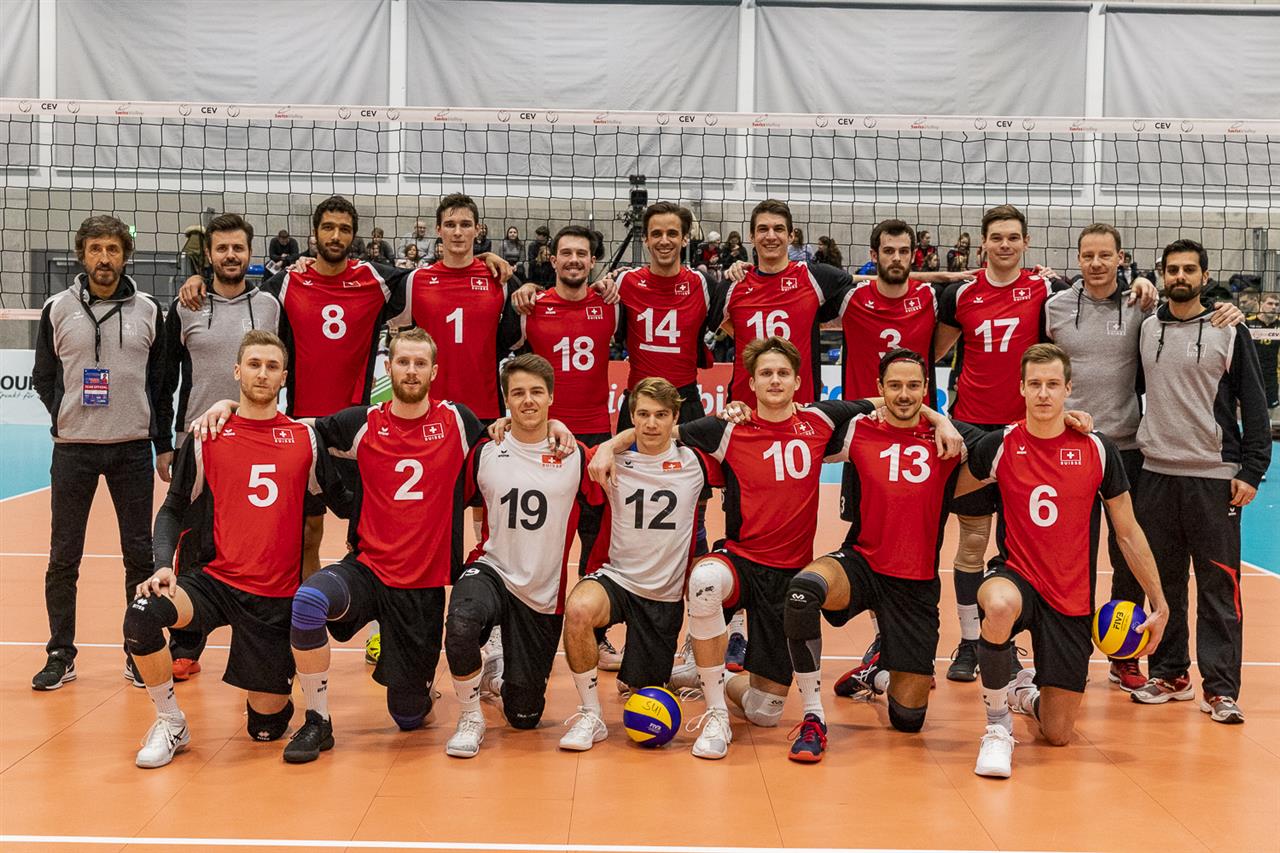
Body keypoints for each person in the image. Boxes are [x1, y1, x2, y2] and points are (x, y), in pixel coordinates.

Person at [589, 337, 962, 760]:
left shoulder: (820, 419)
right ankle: (715, 713)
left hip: (787, 577)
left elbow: (893, 400)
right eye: (765, 373)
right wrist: (610, 446)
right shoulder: (729, 427)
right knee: (704, 581)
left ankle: (702, 674)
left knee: (763, 712)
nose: (775, 380)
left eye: (783, 373)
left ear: (798, 381)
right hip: (741, 561)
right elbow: (655, 432)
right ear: (752, 382)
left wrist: (940, 420)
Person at [178, 196, 511, 584]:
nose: (335, 236)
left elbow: (446, 273)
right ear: (314, 234)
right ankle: (300, 609)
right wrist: (200, 278)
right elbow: (241, 293)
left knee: (374, 535)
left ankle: (372, 604)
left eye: (344, 229)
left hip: (358, 432)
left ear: (354, 236)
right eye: (328, 228)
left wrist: (484, 259)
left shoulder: (377, 280)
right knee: (304, 534)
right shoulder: (287, 282)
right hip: (305, 430)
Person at [123, 331, 343, 768]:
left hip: (273, 597)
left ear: (284, 377)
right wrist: (163, 565)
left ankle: (271, 696)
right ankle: (170, 721)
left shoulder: (305, 438)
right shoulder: (207, 435)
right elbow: (172, 509)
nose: (262, 374)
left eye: (272, 367)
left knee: (266, 729)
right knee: (142, 614)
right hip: (214, 582)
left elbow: (344, 500)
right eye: (254, 364)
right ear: (237, 371)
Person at [958, 344, 1169, 778]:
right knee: (997, 604)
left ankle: (1025, 695)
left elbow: (1128, 531)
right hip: (1016, 574)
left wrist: (1159, 602)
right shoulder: (1000, 445)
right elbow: (949, 486)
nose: (1043, 393)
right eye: (1034, 384)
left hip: (1071, 597)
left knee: (1057, 733)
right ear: (1021, 388)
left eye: (1052, 384)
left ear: (1069, 389)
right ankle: (997, 726)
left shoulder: (1097, 448)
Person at [1044, 224, 1240, 691]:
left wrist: (1225, 309)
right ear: (1078, 259)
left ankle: (1125, 654)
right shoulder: (1054, 307)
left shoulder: (1142, 306)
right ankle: (1066, 653)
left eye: (1105, 255)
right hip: (1068, 448)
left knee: (1131, 557)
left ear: (1121, 258)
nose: (1096, 263)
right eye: (1088, 255)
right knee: (1068, 560)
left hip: (1128, 449)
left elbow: (1184, 313)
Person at [282, 329, 485, 762]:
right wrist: (230, 408)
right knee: (309, 601)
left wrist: (553, 424)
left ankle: (420, 692)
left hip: (422, 589)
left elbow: (509, 440)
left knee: (408, 716)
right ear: (388, 367)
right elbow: (297, 431)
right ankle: (317, 720)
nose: (411, 371)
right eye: (403, 362)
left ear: (434, 371)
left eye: (420, 363)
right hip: (368, 568)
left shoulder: (458, 421)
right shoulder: (362, 422)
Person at [784, 349, 965, 761]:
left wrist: (940, 420)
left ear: (927, 388)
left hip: (915, 585)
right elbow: (802, 420)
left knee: (908, 719)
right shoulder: (858, 429)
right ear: (880, 388)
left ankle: (877, 673)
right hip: (863, 563)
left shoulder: (952, 439)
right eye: (895, 386)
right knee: (803, 591)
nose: (904, 395)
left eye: (914, 386)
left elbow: (1014, 436)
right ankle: (813, 715)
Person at [1129, 240, 1271, 723]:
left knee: (1218, 586)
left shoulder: (1229, 330)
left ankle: (1221, 689)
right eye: (1172, 269)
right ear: (1162, 275)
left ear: (1205, 276)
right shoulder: (1148, 328)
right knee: (1163, 585)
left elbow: (1255, 405)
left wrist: (1252, 470)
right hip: (1156, 474)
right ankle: (1170, 674)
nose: (1180, 276)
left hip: (1212, 476)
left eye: (1190, 269)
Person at [31, 215, 169, 691]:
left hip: (131, 449)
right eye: (95, 249)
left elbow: (160, 384)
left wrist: (160, 442)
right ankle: (60, 654)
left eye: (112, 249)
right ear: (82, 255)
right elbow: (43, 377)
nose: (104, 258)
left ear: (126, 255)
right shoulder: (56, 308)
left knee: (139, 557)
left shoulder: (149, 310)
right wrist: (65, 414)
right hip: (74, 451)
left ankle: (139, 652)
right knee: (63, 558)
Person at [931, 204, 1068, 682]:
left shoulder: (1046, 290)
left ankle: (1002, 641)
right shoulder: (960, 294)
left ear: (1026, 243)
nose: (1005, 245)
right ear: (983, 244)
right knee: (971, 542)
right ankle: (971, 643)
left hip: (1025, 435)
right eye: (997, 237)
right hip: (972, 431)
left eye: (1013, 237)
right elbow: (934, 350)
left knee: (1020, 548)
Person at [558, 377, 721, 750]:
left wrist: (737, 409)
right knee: (579, 609)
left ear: (675, 418)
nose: (651, 424)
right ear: (631, 417)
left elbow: (738, 442)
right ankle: (590, 715)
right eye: (643, 414)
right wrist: (600, 442)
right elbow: (562, 445)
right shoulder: (610, 461)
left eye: (661, 415)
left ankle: (648, 672)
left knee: (642, 693)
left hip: (663, 597)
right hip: (616, 579)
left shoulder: (697, 463)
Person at [443, 354, 593, 758]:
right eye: (518, 393)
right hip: (492, 568)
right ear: (506, 400)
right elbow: (449, 500)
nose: (528, 400)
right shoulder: (486, 450)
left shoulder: (575, 454)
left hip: (542, 591)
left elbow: (605, 499)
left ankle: (496, 675)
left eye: (536, 392)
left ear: (551, 397)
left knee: (524, 716)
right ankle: (470, 717)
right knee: (461, 623)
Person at [157, 213, 282, 682]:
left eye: (239, 248)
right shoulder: (186, 305)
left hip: (256, 444)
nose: (231, 256)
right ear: (208, 255)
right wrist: (165, 442)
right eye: (222, 248)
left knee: (257, 542)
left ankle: (259, 638)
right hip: (199, 442)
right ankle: (186, 645)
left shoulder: (270, 305)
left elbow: (283, 365)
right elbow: (165, 379)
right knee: (193, 542)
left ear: (250, 254)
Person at [513, 226, 619, 576]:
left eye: (582, 254)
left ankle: (590, 607)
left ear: (592, 261)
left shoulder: (610, 305)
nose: (574, 260)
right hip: (542, 437)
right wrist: (524, 287)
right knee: (538, 535)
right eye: (567, 253)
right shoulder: (531, 307)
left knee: (595, 539)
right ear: (553, 260)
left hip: (595, 438)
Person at [716, 199, 849, 406]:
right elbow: (713, 323)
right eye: (763, 229)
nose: (771, 236)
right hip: (745, 409)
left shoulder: (814, 277)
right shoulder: (733, 284)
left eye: (778, 229)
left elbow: (871, 282)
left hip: (800, 408)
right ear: (751, 236)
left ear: (791, 235)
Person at [1245, 292, 1279, 418]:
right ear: (1261, 304)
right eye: (1270, 303)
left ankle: (1267, 430)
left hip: (1272, 377)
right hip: (1251, 375)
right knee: (1250, 411)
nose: (1274, 307)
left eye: (1277, 304)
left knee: (1269, 413)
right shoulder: (1247, 323)